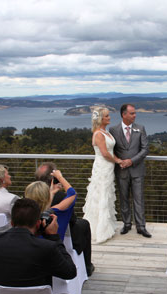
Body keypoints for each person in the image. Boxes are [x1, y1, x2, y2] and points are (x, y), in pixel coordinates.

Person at [36, 162, 94, 276]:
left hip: (38, 242)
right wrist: (60, 178)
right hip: (59, 237)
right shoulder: (60, 199)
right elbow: (72, 216)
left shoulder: (31, 194)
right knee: (84, 224)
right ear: (53, 178)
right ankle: (87, 265)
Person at [109, 103, 151, 238]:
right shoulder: (113, 130)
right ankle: (126, 224)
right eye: (132, 113)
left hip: (137, 170)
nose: (135, 115)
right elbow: (111, 150)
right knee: (124, 199)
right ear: (124, 115)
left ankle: (141, 226)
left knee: (139, 199)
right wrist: (120, 161)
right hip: (121, 171)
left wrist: (131, 161)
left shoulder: (141, 128)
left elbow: (145, 149)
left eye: (135, 113)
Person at [83, 107, 123, 244]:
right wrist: (118, 161)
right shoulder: (98, 134)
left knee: (106, 194)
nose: (109, 118)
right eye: (106, 116)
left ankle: (107, 226)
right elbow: (105, 153)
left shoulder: (104, 132)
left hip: (108, 167)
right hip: (102, 167)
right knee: (101, 194)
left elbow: (110, 151)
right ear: (100, 119)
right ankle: (99, 230)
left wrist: (118, 160)